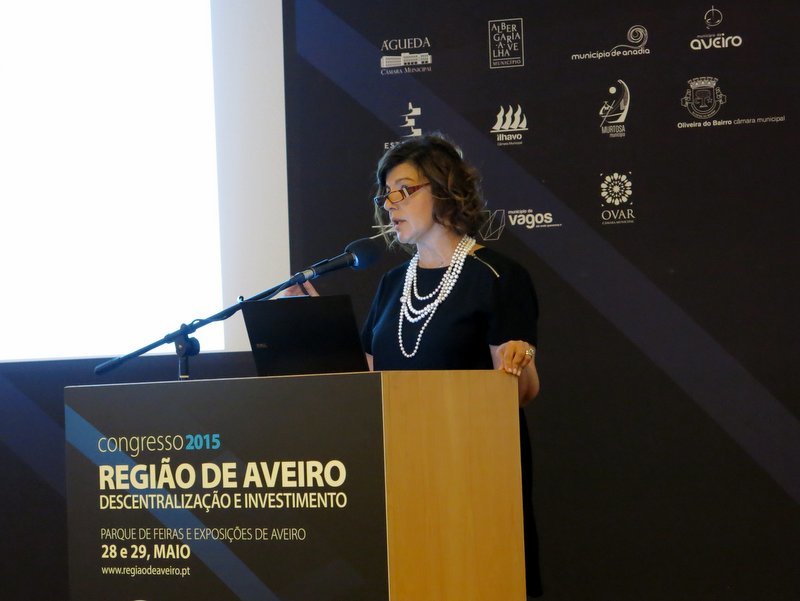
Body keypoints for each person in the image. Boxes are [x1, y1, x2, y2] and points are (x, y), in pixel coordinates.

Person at [361, 132, 543, 597]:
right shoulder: (391, 285)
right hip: (401, 470)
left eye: (404, 190)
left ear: (443, 190)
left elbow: (522, 392)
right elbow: (366, 381)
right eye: (386, 195)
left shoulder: (497, 277)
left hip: (472, 472)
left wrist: (519, 362)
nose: (391, 204)